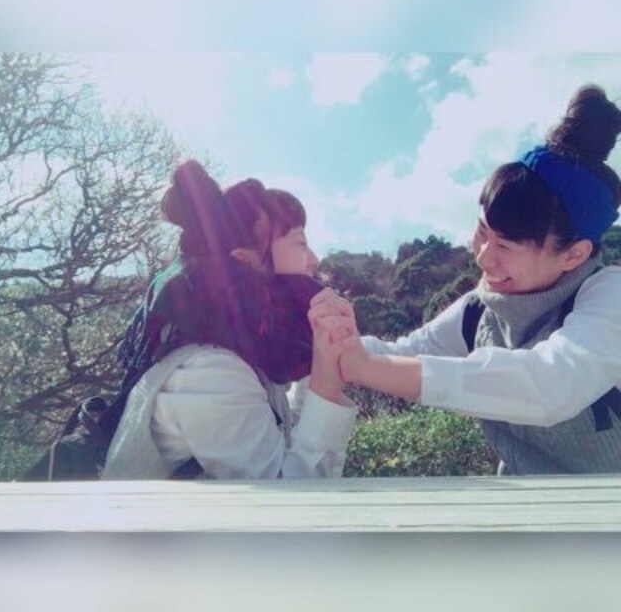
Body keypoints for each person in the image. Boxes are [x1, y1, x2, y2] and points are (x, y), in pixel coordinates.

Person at [311, 84, 621, 475]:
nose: (483, 256)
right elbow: (406, 352)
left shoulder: (609, 294)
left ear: (574, 254)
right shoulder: (478, 311)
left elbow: (551, 386)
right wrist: (331, 338)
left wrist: (365, 367)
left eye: (506, 245)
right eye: (482, 231)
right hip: (526, 507)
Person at [102, 160, 356, 480]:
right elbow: (287, 495)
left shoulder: (243, 348)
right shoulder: (210, 372)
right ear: (244, 261)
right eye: (300, 243)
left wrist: (319, 368)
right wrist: (326, 388)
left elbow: (281, 438)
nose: (314, 261)